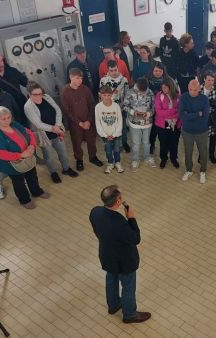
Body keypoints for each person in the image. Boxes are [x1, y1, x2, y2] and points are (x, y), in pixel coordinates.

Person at [89, 185, 151, 323]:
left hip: (106, 255)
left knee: (111, 280)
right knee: (128, 286)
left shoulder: (95, 212)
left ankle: (113, 305)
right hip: (124, 261)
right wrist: (131, 218)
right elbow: (136, 238)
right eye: (121, 198)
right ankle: (129, 314)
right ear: (117, 202)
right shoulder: (119, 222)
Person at [0, 106, 49, 209]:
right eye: (3, 119)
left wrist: (32, 146)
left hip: (28, 158)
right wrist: (21, 155)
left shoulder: (15, 125)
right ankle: (24, 200)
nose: (7, 120)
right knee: (19, 182)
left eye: (8, 117)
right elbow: (2, 154)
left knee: (32, 176)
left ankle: (36, 191)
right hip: (13, 164)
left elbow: (29, 133)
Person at [24, 82, 78, 183]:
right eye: (35, 95)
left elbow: (57, 110)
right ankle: (53, 172)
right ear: (29, 95)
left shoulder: (47, 97)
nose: (39, 96)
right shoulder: (28, 107)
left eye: (40, 93)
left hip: (56, 131)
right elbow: (38, 124)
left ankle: (66, 169)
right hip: (44, 135)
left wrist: (57, 125)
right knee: (48, 156)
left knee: (63, 152)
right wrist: (54, 128)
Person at [61, 68, 103, 172]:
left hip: (88, 122)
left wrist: (89, 120)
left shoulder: (85, 89)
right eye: (77, 78)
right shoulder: (65, 92)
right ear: (70, 77)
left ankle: (93, 157)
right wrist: (79, 123)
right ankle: (79, 160)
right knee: (76, 142)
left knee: (91, 141)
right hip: (75, 124)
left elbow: (92, 105)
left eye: (81, 78)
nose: (80, 80)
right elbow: (67, 111)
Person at [179, 80, 210, 183]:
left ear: (199, 89)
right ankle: (188, 170)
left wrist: (189, 115)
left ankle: (203, 171)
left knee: (203, 152)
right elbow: (182, 115)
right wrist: (197, 114)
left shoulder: (204, 99)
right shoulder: (183, 97)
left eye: (195, 90)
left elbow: (205, 116)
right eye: (190, 90)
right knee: (188, 152)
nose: (192, 92)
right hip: (187, 131)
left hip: (201, 131)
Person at [124, 77, 156, 171]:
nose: (143, 93)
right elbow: (125, 106)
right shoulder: (130, 92)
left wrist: (149, 113)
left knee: (146, 142)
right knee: (136, 143)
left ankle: (147, 157)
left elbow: (154, 107)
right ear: (137, 86)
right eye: (141, 90)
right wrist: (133, 112)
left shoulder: (150, 93)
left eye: (144, 90)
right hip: (134, 123)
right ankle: (135, 159)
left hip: (147, 122)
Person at [100, 60, 131, 153]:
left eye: (115, 70)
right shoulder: (103, 80)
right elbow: (101, 95)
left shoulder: (124, 80)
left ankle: (124, 142)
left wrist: (125, 105)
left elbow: (127, 94)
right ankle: (113, 144)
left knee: (123, 127)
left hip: (121, 108)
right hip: (109, 109)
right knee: (111, 127)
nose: (114, 72)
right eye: (111, 70)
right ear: (108, 70)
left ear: (118, 68)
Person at [96, 85, 124, 174]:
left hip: (116, 134)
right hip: (106, 135)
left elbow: (120, 120)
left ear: (111, 95)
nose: (106, 97)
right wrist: (104, 135)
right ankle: (110, 163)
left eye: (108, 95)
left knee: (117, 149)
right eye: (104, 95)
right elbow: (98, 122)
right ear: (100, 95)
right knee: (108, 150)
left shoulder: (116, 106)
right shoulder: (98, 107)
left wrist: (115, 134)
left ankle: (118, 162)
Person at [154, 78, 182, 169]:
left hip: (175, 124)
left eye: (165, 87)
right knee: (163, 142)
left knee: (174, 142)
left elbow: (180, 111)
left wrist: (170, 113)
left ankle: (174, 158)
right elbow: (159, 112)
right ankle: (163, 159)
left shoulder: (178, 97)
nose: (163, 90)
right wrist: (173, 111)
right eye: (162, 87)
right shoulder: (159, 96)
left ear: (171, 87)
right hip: (162, 124)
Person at [200, 72, 216, 164]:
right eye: (209, 80)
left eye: (212, 80)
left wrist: (212, 104)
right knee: (202, 138)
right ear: (204, 79)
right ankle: (201, 155)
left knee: (213, 139)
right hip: (202, 118)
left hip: (213, 119)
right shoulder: (199, 89)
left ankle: (211, 155)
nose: (210, 82)